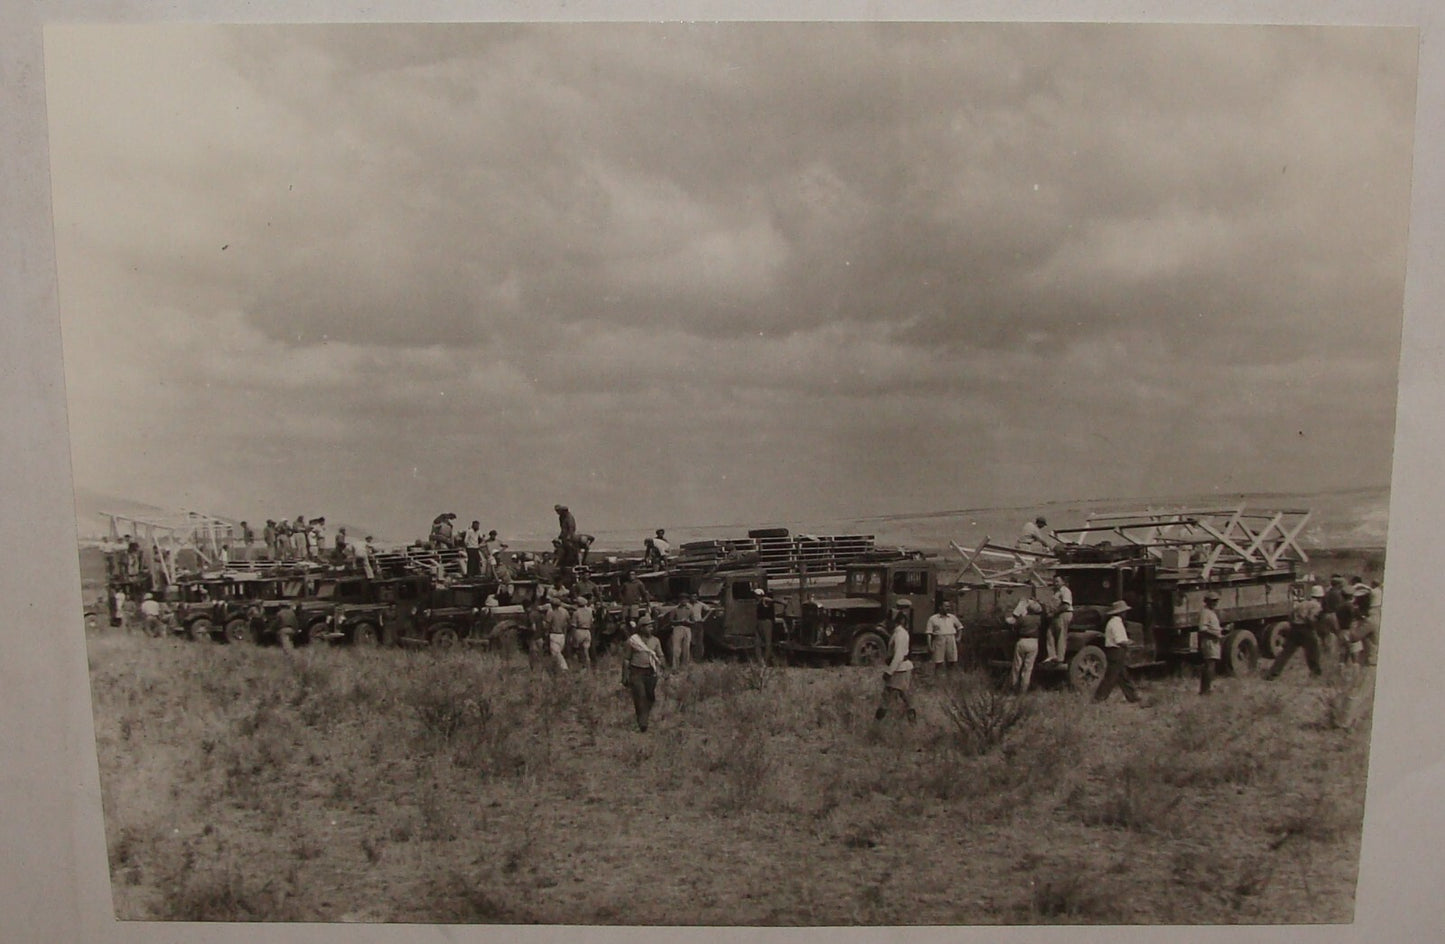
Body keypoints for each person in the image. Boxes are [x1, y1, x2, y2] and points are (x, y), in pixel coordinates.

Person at [1266, 585, 1325, 680]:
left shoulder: (1302, 603)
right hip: (1306, 629)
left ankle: (1273, 673)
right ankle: (1315, 673)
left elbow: (1291, 615)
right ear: (1321, 597)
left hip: (1294, 629)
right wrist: (1315, 626)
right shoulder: (1316, 606)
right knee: (1313, 651)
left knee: (1286, 653)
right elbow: (1311, 618)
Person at [1093, 600, 1142, 704]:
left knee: (1123, 676)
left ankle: (1133, 697)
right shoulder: (1116, 623)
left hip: (1115, 651)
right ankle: (1098, 698)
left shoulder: (1114, 622)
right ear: (1121, 613)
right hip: (1116, 651)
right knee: (1111, 677)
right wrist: (1130, 642)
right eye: (1124, 612)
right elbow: (1120, 640)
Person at [875, 601, 917, 722]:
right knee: (903, 696)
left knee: (889, 696)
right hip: (901, 668)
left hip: (900, 669)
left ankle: (877, 722)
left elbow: (898, 655)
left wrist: (889, 671)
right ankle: (911, 720)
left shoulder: (900, 635)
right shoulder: (898, 633)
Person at [623, 615, 665, 732]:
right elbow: (626, 659)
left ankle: (644, 716)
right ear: (641, 628)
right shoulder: (632, 641)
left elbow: (660, 655)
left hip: (651, 672)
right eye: (648, 626)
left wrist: (663, 666)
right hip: (636, 672)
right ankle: (642, 723)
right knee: (640, 697)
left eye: (652, 626)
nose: (651, 628)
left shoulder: (656, 640)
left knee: (650, 697)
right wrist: (625, 675)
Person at [1007, 597, 1045, 694]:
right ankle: (1023, 690)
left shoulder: (1023, 619)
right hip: (1033, 642)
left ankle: (1013, 687)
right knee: (1028, 668)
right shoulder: (1039, 619)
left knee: (1016, 666)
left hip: (1022, 641)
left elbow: (1014, 625)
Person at [925, 598, 963, 674]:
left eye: (948, 606)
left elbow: (960, 627)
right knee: (938, 661)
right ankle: (938, 678)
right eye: (946, 606)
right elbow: (929, 633)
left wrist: (959, 637)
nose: (948, 608)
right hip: (939, 639)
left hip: (951, 638)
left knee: (952, 660)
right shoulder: (933, 618)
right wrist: (929, 645)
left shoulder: (952, 617)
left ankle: (950, 677)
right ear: (940, 607)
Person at [1198, 591, 1224, 695]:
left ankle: (1207, 689)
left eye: (1216, 601)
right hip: (1209, 641)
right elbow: (1202, 628)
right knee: (1210, 665)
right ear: (1207, 602)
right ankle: (1205, 690)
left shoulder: (1211, 613)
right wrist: (1215, 634)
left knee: (1211, 664)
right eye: (1212, 601)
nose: (1215, 603)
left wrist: (1222, 630)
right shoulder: (1205, 613)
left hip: (1214, 640)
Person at [1043, 575, 1073, 665]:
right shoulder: (1055, 592)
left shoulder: (1065, 591)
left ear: (1063, 582)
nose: (1055, 583)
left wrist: (1053, 613)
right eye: (1054, 581)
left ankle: (1060, 658)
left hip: (1063, 614)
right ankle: (1052, 655)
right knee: (1050, 633)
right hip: (1055, 615)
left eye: (1057, 581)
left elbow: (1065, 605)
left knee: (1061, 635)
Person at [542, 599, 571, 672]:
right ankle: (557, 668)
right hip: (562, 635)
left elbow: (547, 624)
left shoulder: (551, 612)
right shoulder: (565, 612)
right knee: (558, 652)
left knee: (556, 653)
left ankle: (564, 667)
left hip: (554, 634)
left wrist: (545, 631)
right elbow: (569, 622)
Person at [668, 594, 695, 668]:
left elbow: (694, 621)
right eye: (682, 599)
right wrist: (679, 621)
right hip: (677, 628)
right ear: (679, 601)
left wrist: (688, 622)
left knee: (686, 648)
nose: (684, 601)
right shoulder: (675, 609)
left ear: (687, 600)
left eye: (685, 599)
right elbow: (670, 621)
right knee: (676, 649)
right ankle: (675, 666)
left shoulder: (690, 609)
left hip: (687, 628)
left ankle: (685, 666)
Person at [570, 596, 595, 669]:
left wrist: (572, 636)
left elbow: (573, 625)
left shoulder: (576, 613)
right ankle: (588, 667)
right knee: (586, 651)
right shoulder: (589, 612)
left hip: (579, 631)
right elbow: (591, 622)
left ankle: (575, 666)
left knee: (575, 650)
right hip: (587, 631)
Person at [754, 588, 777, 666]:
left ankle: (765, 660)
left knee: (767, 642)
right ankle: (760, 661)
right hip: (760, 621)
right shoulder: (758, 602)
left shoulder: (764, 600)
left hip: (766, 622)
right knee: (758, 642)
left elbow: (771, 600)